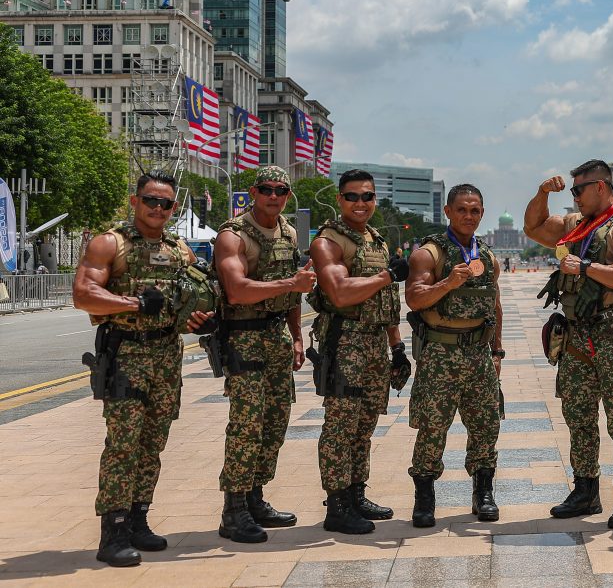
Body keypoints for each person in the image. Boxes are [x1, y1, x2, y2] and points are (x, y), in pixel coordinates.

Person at [73, 171, 214, 567]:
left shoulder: (179, 249)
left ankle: (138, 518)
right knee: (123, 444)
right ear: (135, 202)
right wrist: (133, 304)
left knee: (153, 441)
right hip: (127, 355)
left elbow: (185, 303)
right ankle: (113, 530)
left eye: (166, 203)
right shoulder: (110, 243)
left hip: (167, 355)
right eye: (150, 200)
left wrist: (201, 321)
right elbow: (84, 294)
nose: (158, 208)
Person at [523, 159, 613, 529]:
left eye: (578, 190)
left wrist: (585, 268)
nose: (575, 197)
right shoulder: (574, 226)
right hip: (577, 335)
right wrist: (542, 193)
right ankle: (585, 490)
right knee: (578, 415)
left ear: (600, 187)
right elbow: (533, 226)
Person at [213, 166, 316, 544]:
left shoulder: (288, 232)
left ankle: (255, 495)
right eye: (267, 189)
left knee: (275, 421)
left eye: (282, 190)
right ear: (253, 192)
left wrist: (296, 335)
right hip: (244, 337)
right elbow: (237, 290)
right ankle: (233, 508)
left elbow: (294, 293)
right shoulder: (234, 235)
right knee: (246, 425)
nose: (274, 196)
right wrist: (291, 283)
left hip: (275, 336)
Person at [308, 169, 410, 534]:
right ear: (340, 200)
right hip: (345, 343)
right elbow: (338, 292)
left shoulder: (376, 240)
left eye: (367, 196)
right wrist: (387, 276)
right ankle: (336, 504)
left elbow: (387, 302)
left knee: (365, 424)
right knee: (340, 425)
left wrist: (397, 347)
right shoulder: (328, 241)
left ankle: (355, 492)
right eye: (352, 196)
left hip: (374, 343)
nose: (360, 203)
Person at [405, 184, 504, 528]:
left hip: (479, 353)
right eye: (462, 209)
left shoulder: (487, 257)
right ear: (447, 212)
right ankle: (425, 496)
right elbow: (415, 299)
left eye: (475, 210)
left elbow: (496, 304)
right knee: (432, 427)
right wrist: (447, 283)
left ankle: (483, 492)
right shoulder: (428, 254)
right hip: (441, 352)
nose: (469, 216)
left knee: (486, 426)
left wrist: (497, 351)